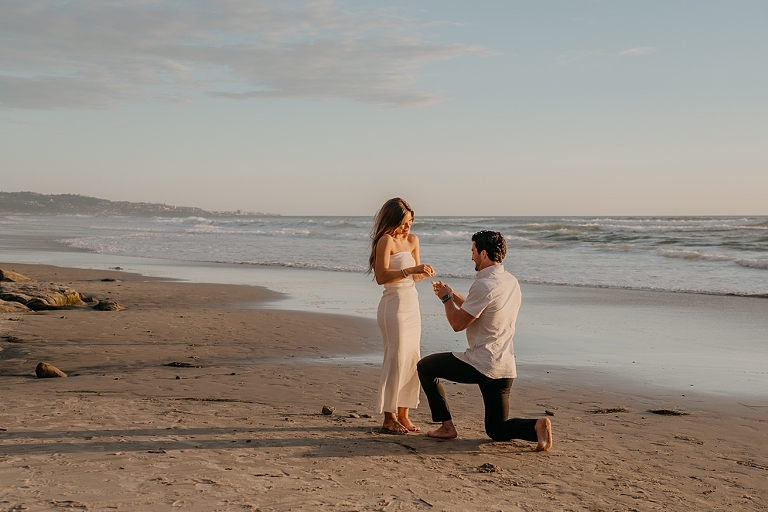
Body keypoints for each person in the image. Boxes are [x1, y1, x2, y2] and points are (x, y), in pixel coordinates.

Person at [417, 230, 553, 451]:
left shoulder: (484, 284)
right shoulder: (510, 281)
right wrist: (452, 293)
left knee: (425, 367)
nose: (471, 257)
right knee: (496, 430)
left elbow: (458, 324)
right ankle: (537, 426)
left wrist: (445, 299)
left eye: (472, 251)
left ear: (483, 253)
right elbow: (479, 307)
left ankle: (447, 426)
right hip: (505, 366)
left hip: (481, 363)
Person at [368, 198, 435, 434]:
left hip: (411, 303)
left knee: (412, 358)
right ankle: (389, 416)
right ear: (393, 220)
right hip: (393, 305)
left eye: (411, 223)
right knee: (396, 359)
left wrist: (423, 273)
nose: (408, 228)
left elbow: (414, 277)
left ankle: (404, 414)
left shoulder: (413, 240)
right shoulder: (385, 241)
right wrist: (411, 270)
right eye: (404, 223)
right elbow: (381, 277)